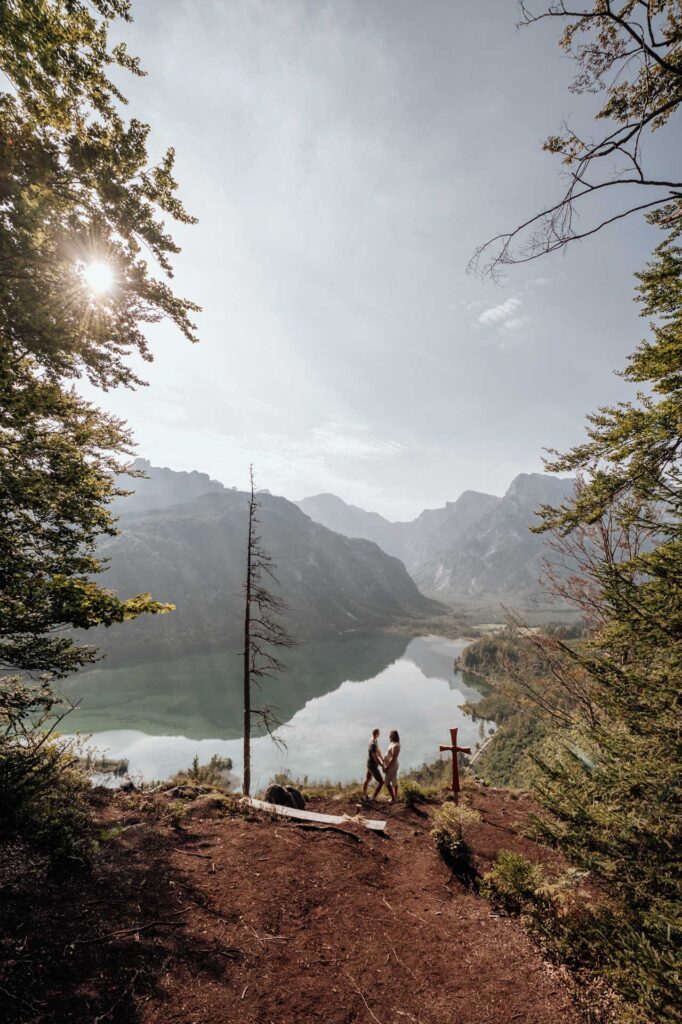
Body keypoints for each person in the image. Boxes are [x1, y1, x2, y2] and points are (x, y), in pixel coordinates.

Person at [362, 727, 385, 800]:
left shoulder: (373, 740)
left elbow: (378, 751)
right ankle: (373, 797)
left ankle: (363, 794)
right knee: (381, 782)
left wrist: (382, 759)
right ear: (378, 734)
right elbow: (375, 757)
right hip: (372, 766)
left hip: (369, 764)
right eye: (379, 733)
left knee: (367, 779)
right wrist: (382, 765)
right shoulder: (373, 744)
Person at [383, 729, 401, 803]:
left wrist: (387, 767)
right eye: (390, 734)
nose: (390, 735)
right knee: (394, 781)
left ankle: (393, 798)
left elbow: (393, 757)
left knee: (386, 782)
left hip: (392, 765)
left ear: (395, 735)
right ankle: (395, 798)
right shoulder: (392, 743)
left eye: (391, 734)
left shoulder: (396, 745)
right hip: (391, 765)